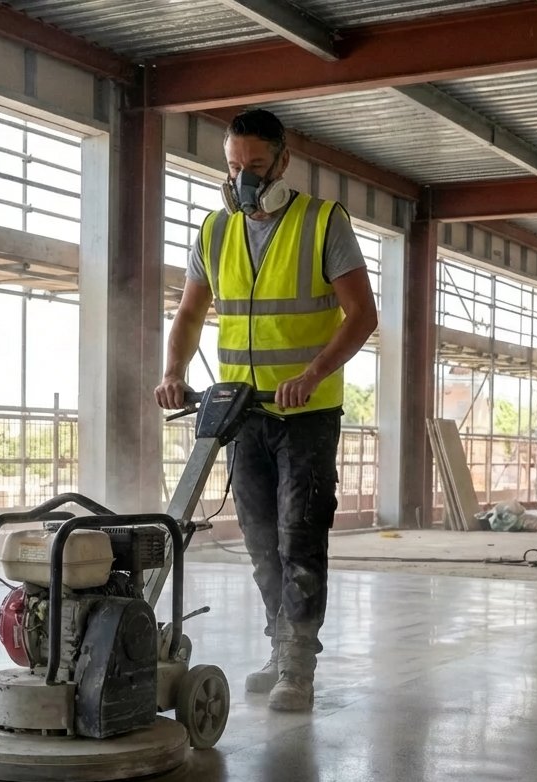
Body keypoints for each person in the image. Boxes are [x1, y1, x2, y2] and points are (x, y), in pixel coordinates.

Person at [155, 108, 378, 713]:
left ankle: (299, 667)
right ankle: (280, 648)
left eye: (255, 166)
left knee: (298, 537)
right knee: (259, 541)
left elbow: (362, 315)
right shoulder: (214, 231)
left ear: (283, 161)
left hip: (306, 414)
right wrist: (174, 373)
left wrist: (312, 374)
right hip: (242, 411)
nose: (243, 178)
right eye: (233, 167)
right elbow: (190, 314)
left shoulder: (323, 222)